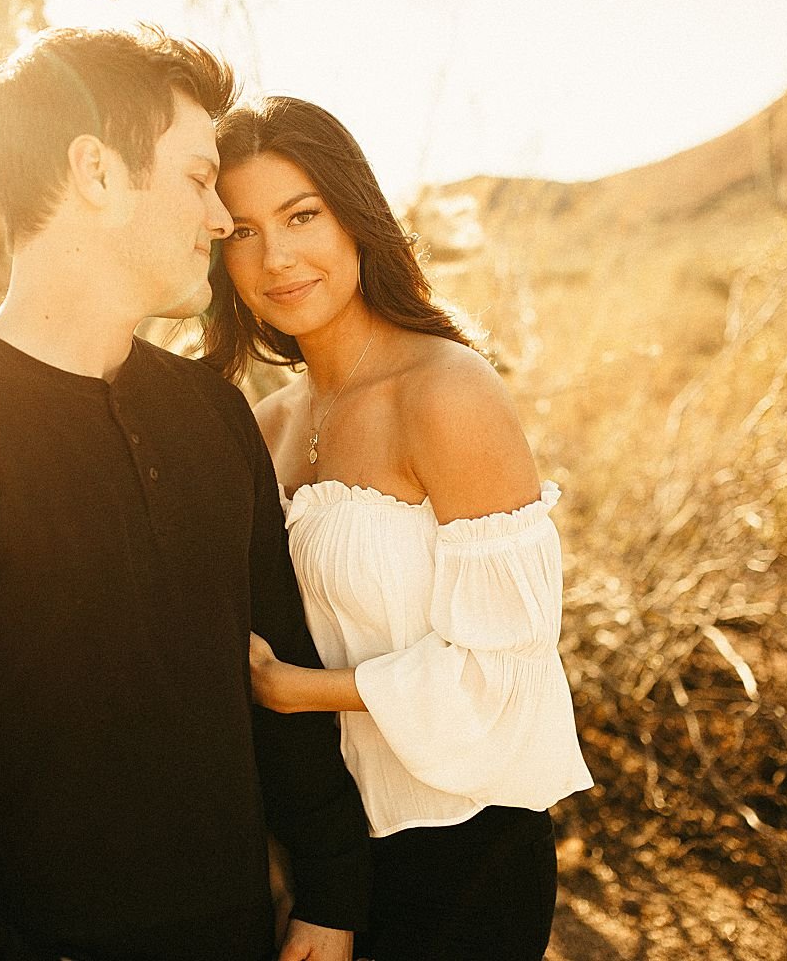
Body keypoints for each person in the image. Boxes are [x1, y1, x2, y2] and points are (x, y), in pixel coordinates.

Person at [0, 30, 371, 961]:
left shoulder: (213, 418)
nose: (221, 220)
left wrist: (333, 890)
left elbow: (274, 667)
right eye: (197, 177)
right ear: (96, 170)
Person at [201, 96, 594, 961]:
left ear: (355, 216)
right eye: (242, 230)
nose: (277, 257)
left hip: (465, 842)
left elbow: (507, 665)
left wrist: (302, 689)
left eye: (302, 214)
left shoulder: (446, 392)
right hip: (331, 849)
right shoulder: (265, 427)